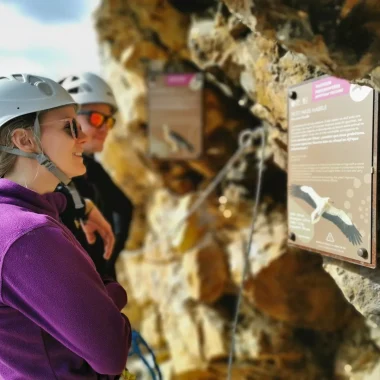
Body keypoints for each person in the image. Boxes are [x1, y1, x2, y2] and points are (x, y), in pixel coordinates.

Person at [0, 73, 131, 379]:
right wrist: (109, 292)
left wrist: (79, 206)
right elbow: (111, 352)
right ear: (25, 140)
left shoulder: (15, 219)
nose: (82, 137)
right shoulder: (29, 237)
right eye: (70, 127)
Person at [58, 72, 134, 280]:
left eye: (109, 121)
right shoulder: (45, 176)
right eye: (96, 118)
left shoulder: (90, 168)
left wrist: (105, 266)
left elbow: (124, 208)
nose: (104, 129)